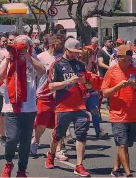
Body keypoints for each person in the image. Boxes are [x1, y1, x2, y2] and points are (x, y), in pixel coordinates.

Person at [0, 35, 46, 177]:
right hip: (11, 106)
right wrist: (7, 59)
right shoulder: (9, 58)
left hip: (29, 107)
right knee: (12, 138)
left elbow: (43, 71)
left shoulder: (33, 59)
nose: (21, 48)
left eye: (24, 46)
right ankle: (8, 162)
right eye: (19, 45)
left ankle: (21, 170)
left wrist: (29, 58)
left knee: (25, 142)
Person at [45, 38, 93, 177]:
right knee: (57, 135)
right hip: (63, 105)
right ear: (66, 49)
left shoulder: (80, 64)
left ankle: (79, 165)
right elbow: (51, 86)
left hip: (80, 106)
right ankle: (51, 154)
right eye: (72, 52)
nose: (75, 55)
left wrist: (86, 82)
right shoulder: (57, 65)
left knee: (81, 135)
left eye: (77, 52)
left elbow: (89, 85)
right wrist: (67, 82)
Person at [101, 45, 136, 177]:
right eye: (124, 60)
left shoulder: (135, 72)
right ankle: (127, 173)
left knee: (125, 145)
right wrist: (118, 87)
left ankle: (115, 169)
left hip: (132, 114)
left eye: (128, 60)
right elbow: (105, 93)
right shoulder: (112, 72)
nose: (126, 62)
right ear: (117, 58)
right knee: (122, 144)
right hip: (117, 115)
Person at [31, 34, 68, 161]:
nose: (62, 46)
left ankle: (58, 150)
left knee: (60, 123)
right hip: (44, 94)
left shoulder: (63, 58)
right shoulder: (41, 57)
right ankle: (35, 141)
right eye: (59, 44)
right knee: (41, 122)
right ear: (52, 45)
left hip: (60, 94)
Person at [0, 32, 18, 146]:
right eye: (10, 40)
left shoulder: (21, 54)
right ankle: (1, 135)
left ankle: (13, 135)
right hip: (1, 88)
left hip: (15, 89)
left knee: (14, 114)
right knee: (1, 113)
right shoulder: (0, 53)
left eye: (14, 40)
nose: (11, 42)